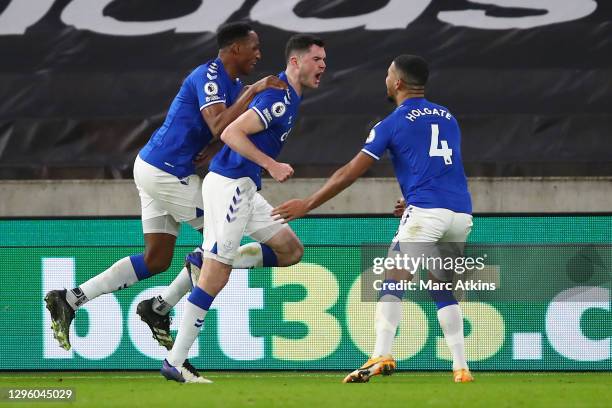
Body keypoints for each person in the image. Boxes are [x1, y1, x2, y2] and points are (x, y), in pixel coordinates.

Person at [44, 22, 287, 382]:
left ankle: (71, 298)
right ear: (235, 49)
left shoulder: (231, 85)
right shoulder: (209, 75)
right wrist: (254, 91)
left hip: (160, 168)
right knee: (219, 244)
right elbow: (219, 123)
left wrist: (212, 144)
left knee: (157, 258)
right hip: (165, 172)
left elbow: (219, 132)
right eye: (254, 48)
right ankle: (161, 308)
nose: (259, 55)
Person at [271, 55, 474, 383]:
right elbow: (442, 167)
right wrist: (411, 199)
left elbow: (350, 172)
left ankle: (381, 353)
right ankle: (461, 366)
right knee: (442, 289)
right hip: (460, 214)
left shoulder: (392, 123)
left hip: (426, 213)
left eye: (387, 74)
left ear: (397, 83)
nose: (385, 79)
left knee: (393, 280)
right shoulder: (448, 117)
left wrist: (308, 203)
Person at [160, 34, 326, 383]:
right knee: (217, 276)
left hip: (246, 188)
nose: (322, 66)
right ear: (295, 62)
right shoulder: (279, 97)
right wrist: (272, 164)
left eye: (324, 60)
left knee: (290, 250)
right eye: (316, 59)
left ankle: (206, 260)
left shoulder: (291, 97)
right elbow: (231, 133)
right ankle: (176, 361)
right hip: (230, 186)